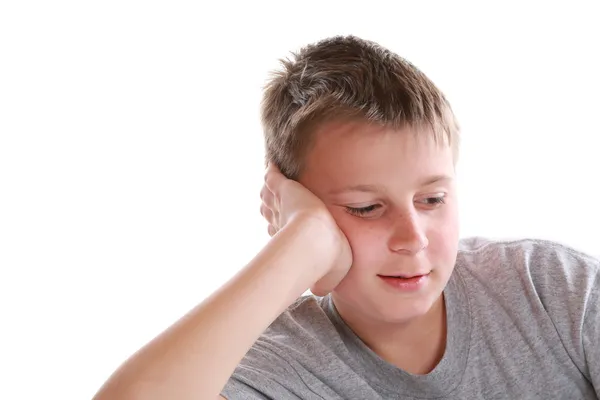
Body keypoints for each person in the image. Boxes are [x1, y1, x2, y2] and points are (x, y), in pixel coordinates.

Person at [93, 35, 599, 400]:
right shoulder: (278, 368)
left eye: (432, 200)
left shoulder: (552, 289)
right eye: (366, 208)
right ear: (295, 206)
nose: (412, 238)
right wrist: (300, 245)